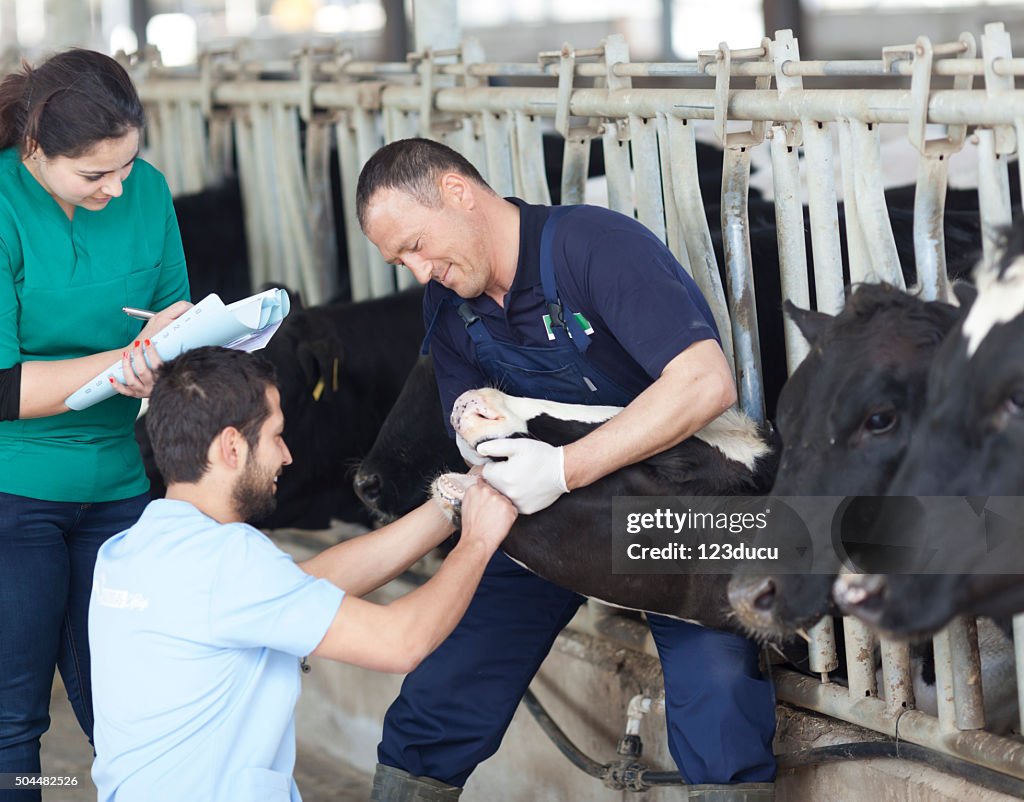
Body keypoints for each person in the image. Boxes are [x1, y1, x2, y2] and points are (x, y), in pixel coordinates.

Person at [357, 137, 777, 801]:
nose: (416, 270)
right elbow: (468, 420)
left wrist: (565, 467)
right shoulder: (449, 304)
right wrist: (472, 427)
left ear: (457, 194)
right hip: (544, 517)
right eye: (398, 259)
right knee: (445, 686)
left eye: (415, 245)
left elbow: (705, 383)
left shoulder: (594, 247)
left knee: (721, 697)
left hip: (666, 509)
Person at [88, 346, 517, 802]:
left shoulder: (131, 550)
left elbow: (307, 582)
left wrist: (455, 498)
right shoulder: (228, 561)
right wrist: (478, 541)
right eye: (276, 436)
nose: (287, 456)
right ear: (232, 446)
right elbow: (402, 641)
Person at [0, 49, 192, 799]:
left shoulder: (147, 192)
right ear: (34, 151)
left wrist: (180, 343)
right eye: (93, 176)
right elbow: (4, 387)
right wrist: (124, 359)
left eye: (127, 164)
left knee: (128, 711)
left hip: (119, 486)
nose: (118, 187)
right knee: (15, 724)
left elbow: (172, 331)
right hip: (14, 492)